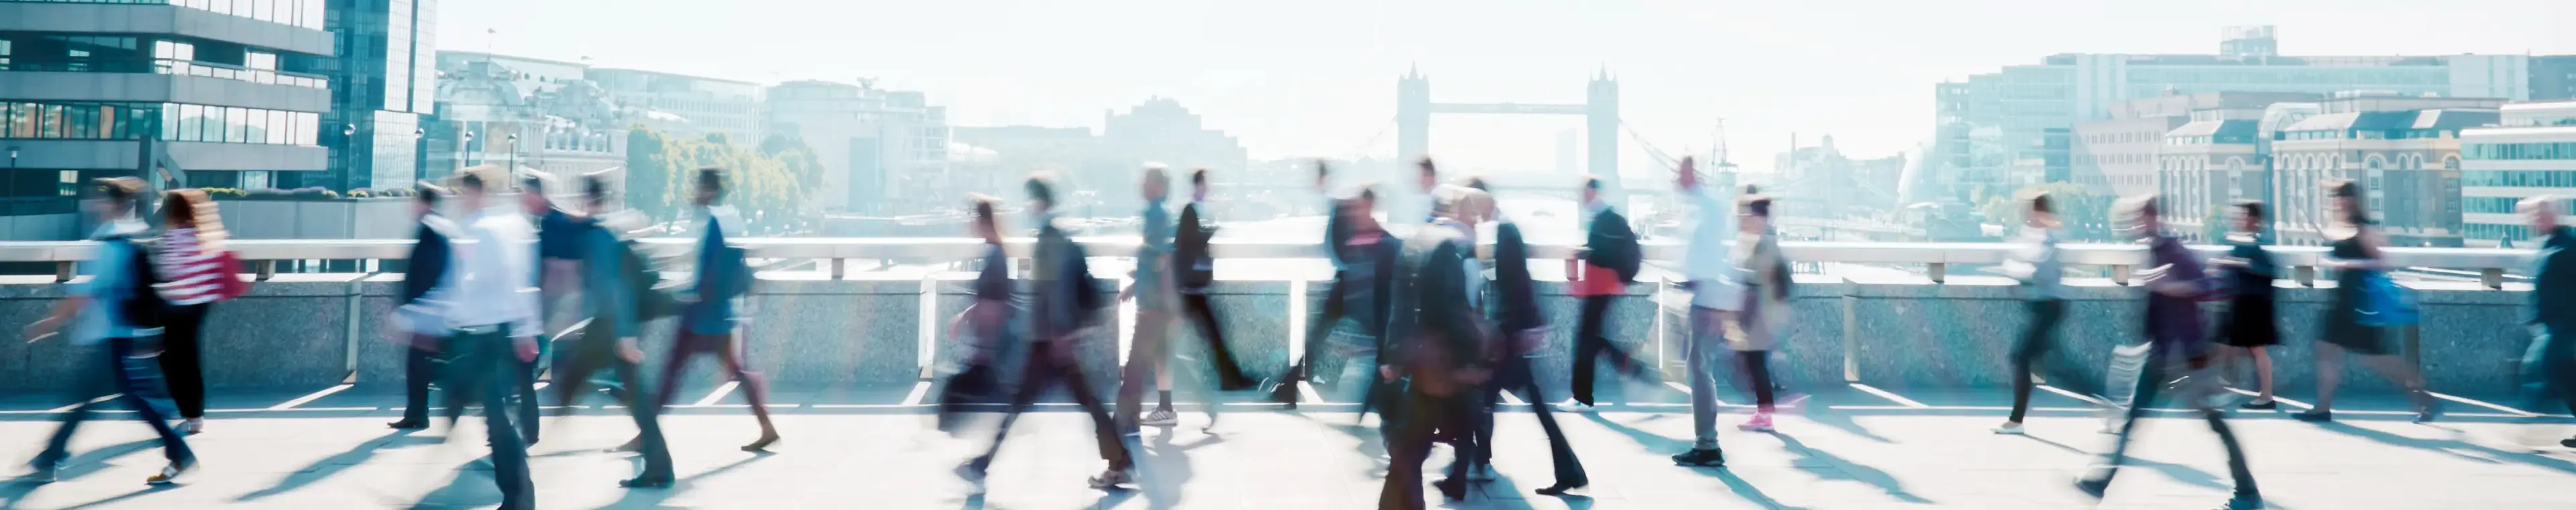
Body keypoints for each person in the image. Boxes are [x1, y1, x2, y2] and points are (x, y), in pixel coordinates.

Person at [2078, 195, 2262, 510]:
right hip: (2163, 355)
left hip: (2189, 357)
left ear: (2155, 218)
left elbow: (2205, 286)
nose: (2136, 224)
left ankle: (2248, 492)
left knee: (2215, 423)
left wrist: (2170, 285)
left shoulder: (2174, 250)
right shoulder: (2154, 250)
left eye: (2141, 217)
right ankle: (2099, 483)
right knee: (2132, 420)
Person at [960, 174, 1136, 491]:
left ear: (1038, 201)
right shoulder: (1052, 236)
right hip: (1051, 341)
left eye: (1030, 199)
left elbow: (1055, 292)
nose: (1028, 206)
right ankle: (1120, 462)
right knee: (1068, 402)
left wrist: (1060, 337)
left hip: (1051, 342)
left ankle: (982, 464)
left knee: (1052, 403)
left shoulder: (1049, 240)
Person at [20, 177, 194, 485]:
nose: (94, 204)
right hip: (121, 333)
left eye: (101, 199)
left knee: (128, 398)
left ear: (115, 204)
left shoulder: (112, 243)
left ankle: (179, 451)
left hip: (113, 334)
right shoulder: (131, 236)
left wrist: (51, 321)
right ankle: (51, 456)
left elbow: (90, 292)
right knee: (106, 397)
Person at [398, 170, 541, 509]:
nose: (460, 200)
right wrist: (526, 328)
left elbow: (467, 288)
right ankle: (517, 495)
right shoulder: (505, 227)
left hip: (488, 339)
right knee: (493, 418)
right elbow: (519, 282)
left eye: (463, 193)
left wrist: (415, 319)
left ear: (477, 194)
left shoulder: (482, 233)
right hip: (489, 337)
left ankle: (519, 497)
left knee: (498, 423)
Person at [546, 175, 674, 489]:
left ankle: (539, 434)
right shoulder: (602, 230)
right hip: (613, 324)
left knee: (575, 376)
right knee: (631, 393)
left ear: (589, 201)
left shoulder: (598, 237)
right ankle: (660, 467)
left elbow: (615, 289)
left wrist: (625, 335)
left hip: (611, 326)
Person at [647, 168, 781, 451]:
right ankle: (766, 426)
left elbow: (708, 273)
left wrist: (688, 296)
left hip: (701, 316)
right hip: (719, 315)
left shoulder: (711, 224)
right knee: (733, 371)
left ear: (708, 190)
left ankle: (646, 432)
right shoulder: (726, 219)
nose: (694, 193)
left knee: (671, 373)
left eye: (698, 187)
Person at [1377, 187, 1495, 509]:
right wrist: (1474, 359)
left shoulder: (1417, 240)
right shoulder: (1452, 250)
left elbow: (1399, 304)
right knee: (1416, 446)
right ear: (1458, 213)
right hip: (1444, 366)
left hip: (1419, 361)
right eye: (1472, 215)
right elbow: (1454, 308)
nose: (1476, 222)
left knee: (1411, 449)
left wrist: (1393, 355)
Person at [2298, 179, 2437, 423]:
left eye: (2342, 197)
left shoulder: (2364, 228)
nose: (2338, 202)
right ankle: (2322, 407)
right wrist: (2333, 261)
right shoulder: (2343, 227)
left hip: (2360, 303)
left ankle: (2424, 398)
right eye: (2336, 197)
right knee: (2326, 349)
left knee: (2378, 358)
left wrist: (2351, 264)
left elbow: (2382, 262)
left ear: (2352, 200)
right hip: (2341, 300)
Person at [1994, 191, 2102, 434]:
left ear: (2041, 212)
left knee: (2021, 358)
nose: (2029, 217)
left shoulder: (2049, 238)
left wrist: (2015, 272)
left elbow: (2038, 272)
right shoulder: (2039, 236)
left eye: (2033, 211)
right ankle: (2107, 408)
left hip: (2049, 308)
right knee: (2057, 365)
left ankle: (2016, 420)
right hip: (2044, 307)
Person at [1117, 164, 1215, 430]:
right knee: (1163, 357)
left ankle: (1125, 422)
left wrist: (1150, 293)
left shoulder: (1156, 215)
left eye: (1146, 180)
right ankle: (1187, 404)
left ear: (1157, 186)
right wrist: (1135, 285)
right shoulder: (1158, 214)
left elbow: (1162, 260)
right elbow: (1154, 261)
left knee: (1138, 363)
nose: (1141, 184)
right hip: (1156, 301)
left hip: (1154, 304)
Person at [151, 189, 236, 436]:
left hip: (176, 306)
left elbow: (166, 273)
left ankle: (182, 409)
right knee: (190, 360)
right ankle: (195, 416)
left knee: (170, 360)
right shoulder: (207, 236)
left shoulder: (173, 237)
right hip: (201, 305)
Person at [1669, 156, 1735, 466]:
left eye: (1681, 175)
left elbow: (1710, 253)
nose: (1676, 180)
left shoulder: (1707, 207)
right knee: (1698, 368)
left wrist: (1700, 283)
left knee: (1699, 369)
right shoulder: (1704, 206)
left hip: (1711, 300)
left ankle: (1708, 445)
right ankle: (1706, 442)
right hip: (1706, 296)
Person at [1566, 175, 1650, 409]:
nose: (1581, 197)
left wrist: (1589, 255)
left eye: (1584, 192)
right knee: (1593, 339)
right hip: (1599, 287)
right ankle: (1631, 367)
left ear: (1594, 192)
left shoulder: (1607, 220)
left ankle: (1583, 397)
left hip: (1600, 288)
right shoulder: (1602, 219)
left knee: (1585, 340)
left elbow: (1606, 253)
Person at [1270, 160, 1348, 406]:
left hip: (1348, 282)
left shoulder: (1339, 204)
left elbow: (1338, 247)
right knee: (1318, 336)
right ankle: (1289, 386)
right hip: (1348, 280)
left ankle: (1289, 387)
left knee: (1317, 336)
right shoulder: (1337, 202)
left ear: (1322, 178)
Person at [1173, 167, 1256, 392]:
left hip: (1192, 289)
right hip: (1187, 290)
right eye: (1206, 183)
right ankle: (1230, 380)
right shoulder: (1191, 210)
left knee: (1213, 334)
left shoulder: (1196, 210)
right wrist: (1210, 232)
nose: (1209, 187)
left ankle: (1231, 379)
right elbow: (1187, 242)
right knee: (1211, 335)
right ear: (1199, 185)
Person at [940, 197, 1012, 435]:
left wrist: (983, 349)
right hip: (990, 346)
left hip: (990, 346)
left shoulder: (995, 256)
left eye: (973, 218)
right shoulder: (995, 252)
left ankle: (988, 452)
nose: (970, 223)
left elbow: (994, 304)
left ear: (983, 222)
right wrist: (966, 316)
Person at [389, 183, 458, 430]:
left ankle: (420, 412)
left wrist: (413, 312)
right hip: (435, 312)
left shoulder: (430, 230)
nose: (412, 205)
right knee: (423, 365)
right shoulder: (440, 227)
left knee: (426, 365)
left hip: (428, 314)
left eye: (415, 200)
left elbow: (426, 276)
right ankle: (417, 412)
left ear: (425, 203)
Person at [1729, 194, 1794, 431]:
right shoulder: (1763, 239)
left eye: (1750, 215)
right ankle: (1764, 409)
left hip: (1761, 313)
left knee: (1755, 361)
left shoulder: (1763, 243)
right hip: (1762, 312)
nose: (1746, 219)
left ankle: (1765, 412)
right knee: (1754, 361)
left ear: (1760, 218)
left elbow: (1758, 278)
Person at [2214, 201, 2283, 410]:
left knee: (2256, 349)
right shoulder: (2243, 241)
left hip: (2254, 303)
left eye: (2242, 215)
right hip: (2241, 301)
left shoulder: (2257, 242)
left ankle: (2266, 396)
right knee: (2225, 345)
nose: (2238, 219)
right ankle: (2222, 388)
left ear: (2253, 219)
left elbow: (2267, 268)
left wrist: (2236, 263)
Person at [2520, 196, 2576, 448]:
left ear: (2554, 215)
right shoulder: (2550, 243)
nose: (2536, 220)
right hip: (2552, 323)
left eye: (2540, 215)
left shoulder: (2569, 243)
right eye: (2533, 216)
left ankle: (2528, 427)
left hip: (2567, 322)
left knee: (2551, 368)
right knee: (2557, 371)